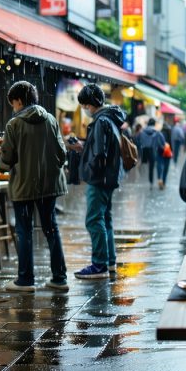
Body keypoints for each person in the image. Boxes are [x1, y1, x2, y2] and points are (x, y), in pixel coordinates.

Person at [0, 81, 69, 292]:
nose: (13, 108)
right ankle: (59, 278)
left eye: (13, 103)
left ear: (18, 101)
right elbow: (62, 155)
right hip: (49, 186)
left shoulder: (14, 124)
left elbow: (7, 161)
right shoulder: (51, 120)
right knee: (51, 228)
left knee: (24, 231)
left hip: (24, 187)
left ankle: (25, 280)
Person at [66, 84, 126, 279]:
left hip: (100, 178)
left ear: (90, 104)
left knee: (93, 220)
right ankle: (109, 261)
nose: (85, 109)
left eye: (85, 105)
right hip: (110, 176)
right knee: (104, 219)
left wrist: (87, 167)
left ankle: (99, 264)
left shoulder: (101, 121)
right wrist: (84, 147)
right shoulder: (111, 118)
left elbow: (99, 153)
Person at [137, 118, 166, 188]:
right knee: (151, 168)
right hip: (153, 151)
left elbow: (137, 141)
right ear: (154, 124)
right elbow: (163, 143)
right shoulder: (157, 132)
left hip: (144, 151)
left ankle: (142, 180)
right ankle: (151, 182)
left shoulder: (142, 132)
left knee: (144, 165)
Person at [157, 121, 172, 189]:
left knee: (160, 165)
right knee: (166, 168)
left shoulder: (160, 133)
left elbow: (157, 143)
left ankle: (159, 178)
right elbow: (171, 143)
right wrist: (172, 151)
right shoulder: (169, 132)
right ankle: (164, 182)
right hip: (168, 152)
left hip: (160, 152)